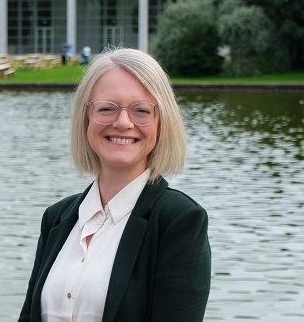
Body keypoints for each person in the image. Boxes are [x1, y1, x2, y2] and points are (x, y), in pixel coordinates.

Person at [18, 47, 210, 322]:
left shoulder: (179, 221)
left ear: (161, 123)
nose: (122, 122)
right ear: (85, 118)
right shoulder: (56, 218)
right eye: (107, 108)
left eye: (141, 110)